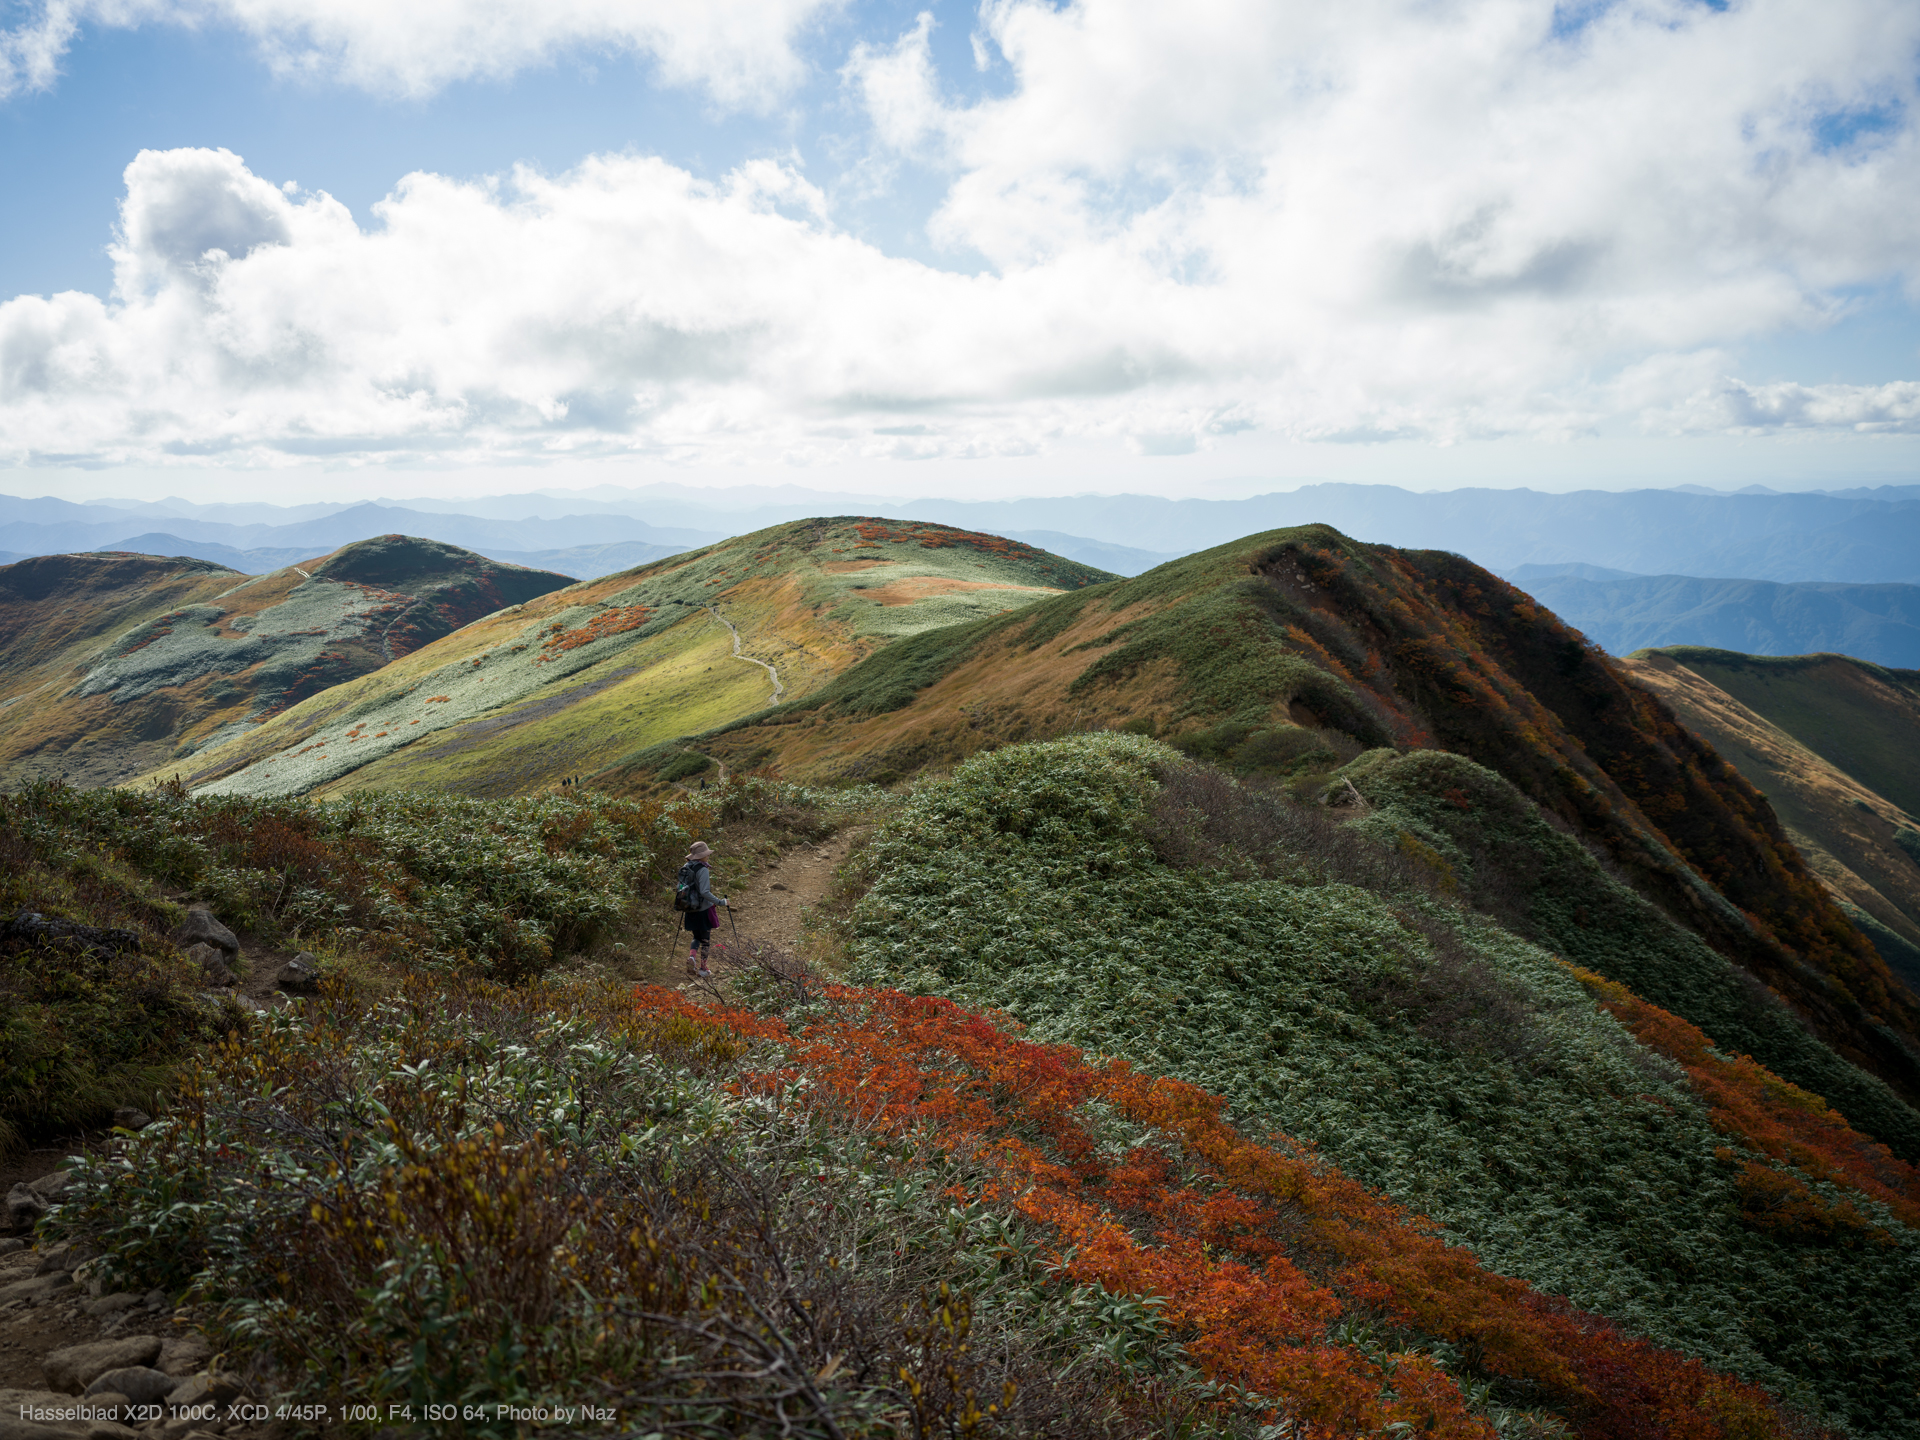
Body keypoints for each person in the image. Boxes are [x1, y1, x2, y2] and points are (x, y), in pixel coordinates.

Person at [680, 840, 728, 977]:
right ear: (701, 856)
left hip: (689, 907)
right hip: (703, 909)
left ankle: (692, 957)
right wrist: (720, 902)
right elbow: (704, 892)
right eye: (706, 854)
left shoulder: (686, 866)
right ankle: (703, 969)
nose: (708, 856)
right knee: (705, 939)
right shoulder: (702, 869)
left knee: (696, 936)